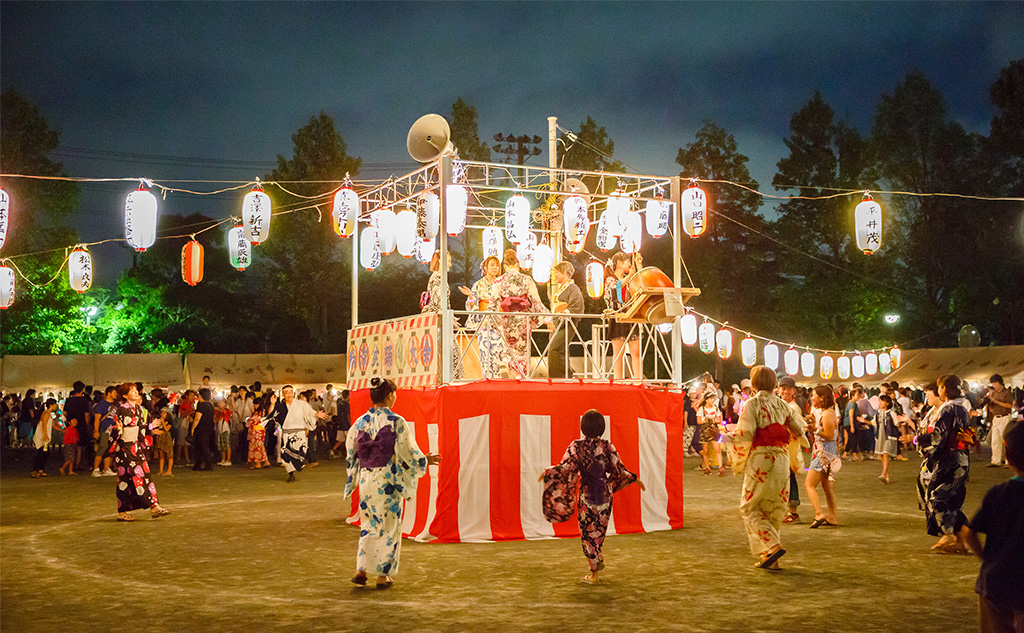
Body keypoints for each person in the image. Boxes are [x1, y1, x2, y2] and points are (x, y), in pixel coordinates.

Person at [345, 377, 440, 589]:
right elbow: (407, 452)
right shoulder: (396, 422)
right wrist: (423, 459)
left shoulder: (360, 422)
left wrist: (354, 475)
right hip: (387, 481)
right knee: (388, 528)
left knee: (368, 524)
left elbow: (351, 453)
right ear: (389, 395)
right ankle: (382, 575)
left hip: (367, 480)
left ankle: (361, 570)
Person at [541, 409, 644, 584]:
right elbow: (618, 469)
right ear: (602, 427)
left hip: (587, 495)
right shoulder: (607, 445)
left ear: (583, 427)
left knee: (588, 534)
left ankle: (594, 572)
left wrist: (548, 473)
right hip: (605, 494)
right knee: (599, 531)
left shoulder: (576, 446)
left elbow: (566, 468)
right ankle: (597, 558)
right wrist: (633, 478)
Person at [728, 366, 804, 570]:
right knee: (774, 507)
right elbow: (798, 429)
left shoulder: (751, 404)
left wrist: (725, 437)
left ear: (754, 383)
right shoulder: (783, 405)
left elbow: (746, 434)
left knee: (750, 506)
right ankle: (770, 558)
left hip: (762, 458)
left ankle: (772, 545)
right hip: (781, 458)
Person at [963, 421, 1024, 633]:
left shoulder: (998, 493)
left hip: (995, 582)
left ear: (1008, 457)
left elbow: (969, 533)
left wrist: (986, 558)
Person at [917, 375, 973, 553]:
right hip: (961, 459)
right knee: (953, 502)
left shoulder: (948, 409)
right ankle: (964, 540)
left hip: (948, 460)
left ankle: (948, 535)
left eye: (940, 388)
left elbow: (938, 438)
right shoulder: (962, 408)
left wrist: (918, 439)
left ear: (945, 390)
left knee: (936, 495)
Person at [108, 383, 170, 522]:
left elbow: (142, 428)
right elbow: (117, 429)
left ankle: (153, 505)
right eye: (132, 391)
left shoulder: (140, 409)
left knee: (143, 475)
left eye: (136, 390)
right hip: (125, 448)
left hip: (135, 447)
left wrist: (150, 427)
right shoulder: (122, 410)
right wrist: (118, 429)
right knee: (127, 478)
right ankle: (128, 510)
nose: (136, 393)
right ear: (124, 395)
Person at [497, 248, 545, 379]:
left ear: (505, 265)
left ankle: (510, 370)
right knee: (523, 349)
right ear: (517, 264)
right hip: (523, 319)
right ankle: (521, 375)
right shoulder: (526, 279)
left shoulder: (499, 281)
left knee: (509, 347)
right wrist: (541, 319)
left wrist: (493, 322)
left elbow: (493, 304)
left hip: (507, 318)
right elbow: (536, 301)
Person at [421, 251, 465, 380]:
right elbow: (439, 301)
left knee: (449, 354)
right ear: (441, 261)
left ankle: (447, 379)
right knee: (450, 354)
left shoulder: (437, 277)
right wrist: (449, 318)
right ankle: (449, 380)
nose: (450, 264)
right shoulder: (438, 277)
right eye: (449, 260)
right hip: (440, 322)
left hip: (440, 319)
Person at [460, 255, 504, 378]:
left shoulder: (502, 283)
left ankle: (500, 380)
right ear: (485, 267)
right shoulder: (478, 285)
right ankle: (487, 379)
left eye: (497, 265)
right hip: (484, 323)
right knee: (486, 353)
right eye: (492, 265)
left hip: (499, 323)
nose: (495, 268)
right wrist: (470, 297)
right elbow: (471, 305)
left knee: (500, 353)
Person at [804, 385, 841, 529]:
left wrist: (815, 429)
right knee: (827, 487)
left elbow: (829, 435)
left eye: (814, 395)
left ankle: (819, 513)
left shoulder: (827, 414)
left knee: (809, 485)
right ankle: (832, 516)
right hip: (828, 455)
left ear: (821, 398)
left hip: (823, 455)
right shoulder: (827, 413)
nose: (811, 398)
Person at [603, 252, 641, 381]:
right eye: (627, 261)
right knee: (619, 353)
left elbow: (640, 282)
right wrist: (629, 275)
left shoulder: (628, 278)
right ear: (619, 263)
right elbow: (615, 291)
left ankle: (638, 379)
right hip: (618, 317)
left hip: (631, 315)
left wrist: (639, 264)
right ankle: (618, 379)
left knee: (636, 352)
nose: (630, 264)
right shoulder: (610, 279)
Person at [278, 385, 327, 482]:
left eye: (290, 391)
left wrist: (316, 414)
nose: (288, 394)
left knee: (301, 451)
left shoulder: (301, 404)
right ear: (283, 394)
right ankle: (291, 474)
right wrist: (271, 404)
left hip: (299, 432)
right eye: (286, 392)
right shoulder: (280, 406)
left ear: (293, 393)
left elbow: (309, 412)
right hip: (287, 433)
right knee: (286, 455)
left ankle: (301, 463)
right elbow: (271, 415)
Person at [778, 376, 808, 524]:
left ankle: (793, 511)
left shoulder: (794, 408)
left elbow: (799, 429)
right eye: (782, 388)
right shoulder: (778, 404)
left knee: (789, 477)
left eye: (787, 389)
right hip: (779, 446)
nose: (784, 391)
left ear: (793, 391)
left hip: (788, 446)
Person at [547, 261, 585, 379]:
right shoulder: (563, 288)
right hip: (560, 322)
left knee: (555, 349)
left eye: (557, 273)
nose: (555, 275)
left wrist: (566, 312)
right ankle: (565, 375)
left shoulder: (573, 288)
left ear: (564, 272)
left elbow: (577, 305)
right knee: (561, 349)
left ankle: (559, 377)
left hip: (568, 322)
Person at [981, 374, 1014, 468]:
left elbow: (1009, 405)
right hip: (996, 417)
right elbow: (992, 404)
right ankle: (995, 461)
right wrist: (989, 403)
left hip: (1005, 417)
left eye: (995, 383)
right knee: (995, 440)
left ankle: (1009, 462)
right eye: (993, 383)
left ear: (999, 382)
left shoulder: (1007, 392)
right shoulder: (993, 393)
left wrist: (996, 401)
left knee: (1006, 440)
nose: (994, 385)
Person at [92, 386, 118, 477]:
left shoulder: (116, 404)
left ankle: (106, 468)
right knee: (102, 447)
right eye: (114, 392)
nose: (116, 394)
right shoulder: (101, 404)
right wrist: (96, 431)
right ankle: (96, 469)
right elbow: (97, 419)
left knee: (110, 449)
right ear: (109, 393)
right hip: (105, 428)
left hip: (114, 429)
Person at [874, 394, 900, 483]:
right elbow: (874, 423)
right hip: (880, 435)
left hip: (889, 436)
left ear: (887, 403)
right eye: (879, 401)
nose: (880, 403)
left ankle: (883, 474)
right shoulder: (877, 414)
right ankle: (886, 475)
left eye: (882, 401)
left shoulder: (891, 413)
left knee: (885, 453)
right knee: (882, 454)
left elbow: (896, 424)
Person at [697, 391, 724, 476]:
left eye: (713, 398)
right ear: (707, 399)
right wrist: (705, 420)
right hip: (705, 430)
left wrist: (715, 420)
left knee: (717, 449)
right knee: (705, 450)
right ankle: (707, 468)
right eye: (711, 398)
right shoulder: (702, 409)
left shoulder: (716, 409)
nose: (712, 400)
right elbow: (698, 421)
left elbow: (720, 420)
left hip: (714, 430)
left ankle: (720, 467)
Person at [31, 398, 58, 478]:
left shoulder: (48, 414)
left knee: (45, 453)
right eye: (55, 404)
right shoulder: (46, 414)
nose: (56, 406)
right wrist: (45, 435)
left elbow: (52, 425)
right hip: (42, 436)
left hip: (43, 436)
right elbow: (44, 425)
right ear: (51, 405)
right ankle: (35, 470)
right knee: (41, 453)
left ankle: (40, 469)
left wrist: (62, 429)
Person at [190, 388, 216, 471]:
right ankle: (201, 464)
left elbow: (197, 418)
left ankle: (206, 465)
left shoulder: (201, 405)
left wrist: (193, 428)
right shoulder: (210, 406)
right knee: (203, 446)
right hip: (209, 428)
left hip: (201, 428)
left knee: (201, 447)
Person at [246, 401, 270, 469]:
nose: (255, 405)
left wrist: (251, 414)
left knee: (257, 446)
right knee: (260, 446)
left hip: (257, 431)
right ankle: (266, 461)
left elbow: (254, 421)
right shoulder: (262, 412)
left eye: (256, 404)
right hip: (259, 431)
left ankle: (258, 462)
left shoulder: (260, 412)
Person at [152, 407, 175, 476]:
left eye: (164, 413)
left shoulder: (169, 422)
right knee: (161, 454)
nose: (162, 414)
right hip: (160, 438)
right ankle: (161, 470)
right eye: (161, 413)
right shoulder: (158, 421)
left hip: (166, 439)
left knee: (169, 454)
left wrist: (163, 422)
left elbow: (166, 429)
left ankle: (169, 471)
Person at [59, 402, 80, 476]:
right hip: (69, 444)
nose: (75, 422)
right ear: (69, 422)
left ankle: (70, 471)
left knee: (72, 458)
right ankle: (63, 468)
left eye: (76, 421)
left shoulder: (75, 429)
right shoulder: (68, 429)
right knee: (69, 458)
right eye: (73, 421)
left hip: (73, 444)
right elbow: (66, 437)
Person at [214, 397, 232, 466]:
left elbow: (228, 414)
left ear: (225, 404)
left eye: (222, 402)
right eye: (219, 402)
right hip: (220, 430)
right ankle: (223, 459)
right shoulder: (217, 411)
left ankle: (228, 460)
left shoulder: (226, 410)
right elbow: (214, 420)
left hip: (225, 429)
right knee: (222, 446)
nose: (220, 404)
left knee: (227, 445)